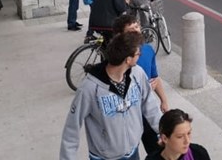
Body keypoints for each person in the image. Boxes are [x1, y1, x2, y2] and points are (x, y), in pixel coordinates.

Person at [59, 32, 162, 160]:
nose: (140, 56)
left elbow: (150, 105)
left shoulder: (138, 74)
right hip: (104, 157)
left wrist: (162, 131)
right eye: (138, 54)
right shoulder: (89, 88)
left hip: (133, 152)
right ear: (128, 59)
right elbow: (71, 128)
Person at [114, 15, 170, 155]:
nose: (136, 32)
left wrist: (163, 100)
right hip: (127, 114)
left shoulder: (148, 50)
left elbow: (155, 79)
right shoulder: (116, 57)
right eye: (131, 30)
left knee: (156, 149)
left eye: (137, 27)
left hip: (146, 111)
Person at [146, 109, 211, 160]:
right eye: (180, 137)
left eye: (188, 133)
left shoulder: (199, 154)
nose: (187, 141)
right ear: (164, 138)